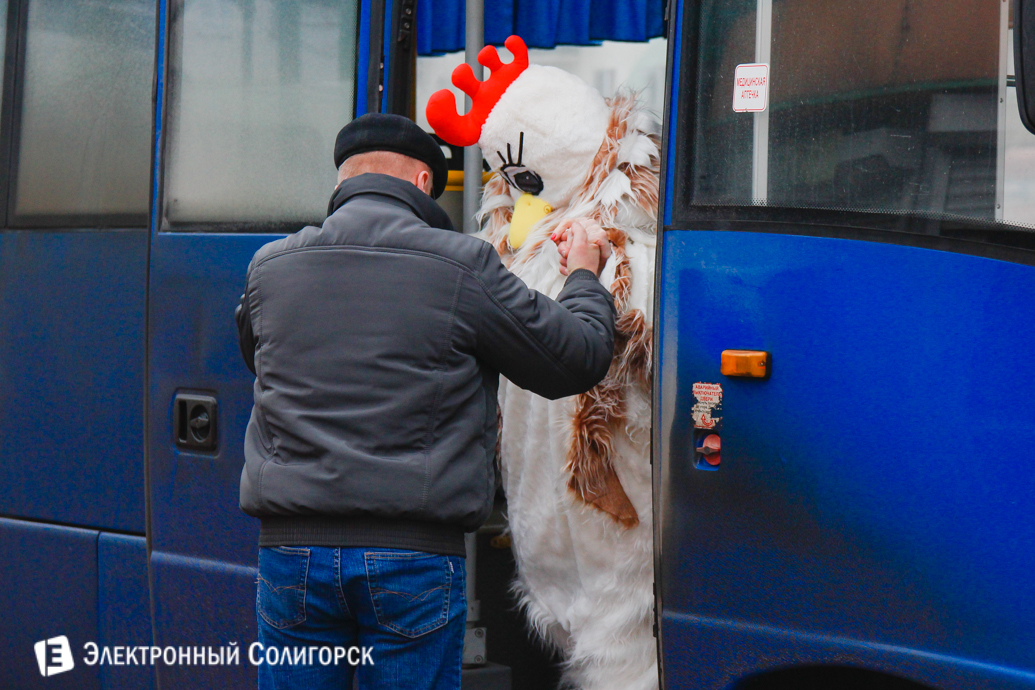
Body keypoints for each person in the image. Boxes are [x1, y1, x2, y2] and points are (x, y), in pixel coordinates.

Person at [234, 113, 615, 690]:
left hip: (293, 557)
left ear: (342, 183)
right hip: (410, 558)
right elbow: (576, 357)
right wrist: (585, 274)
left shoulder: (270, 268)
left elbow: (259, 358)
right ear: (420, 184)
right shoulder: (461, 265)